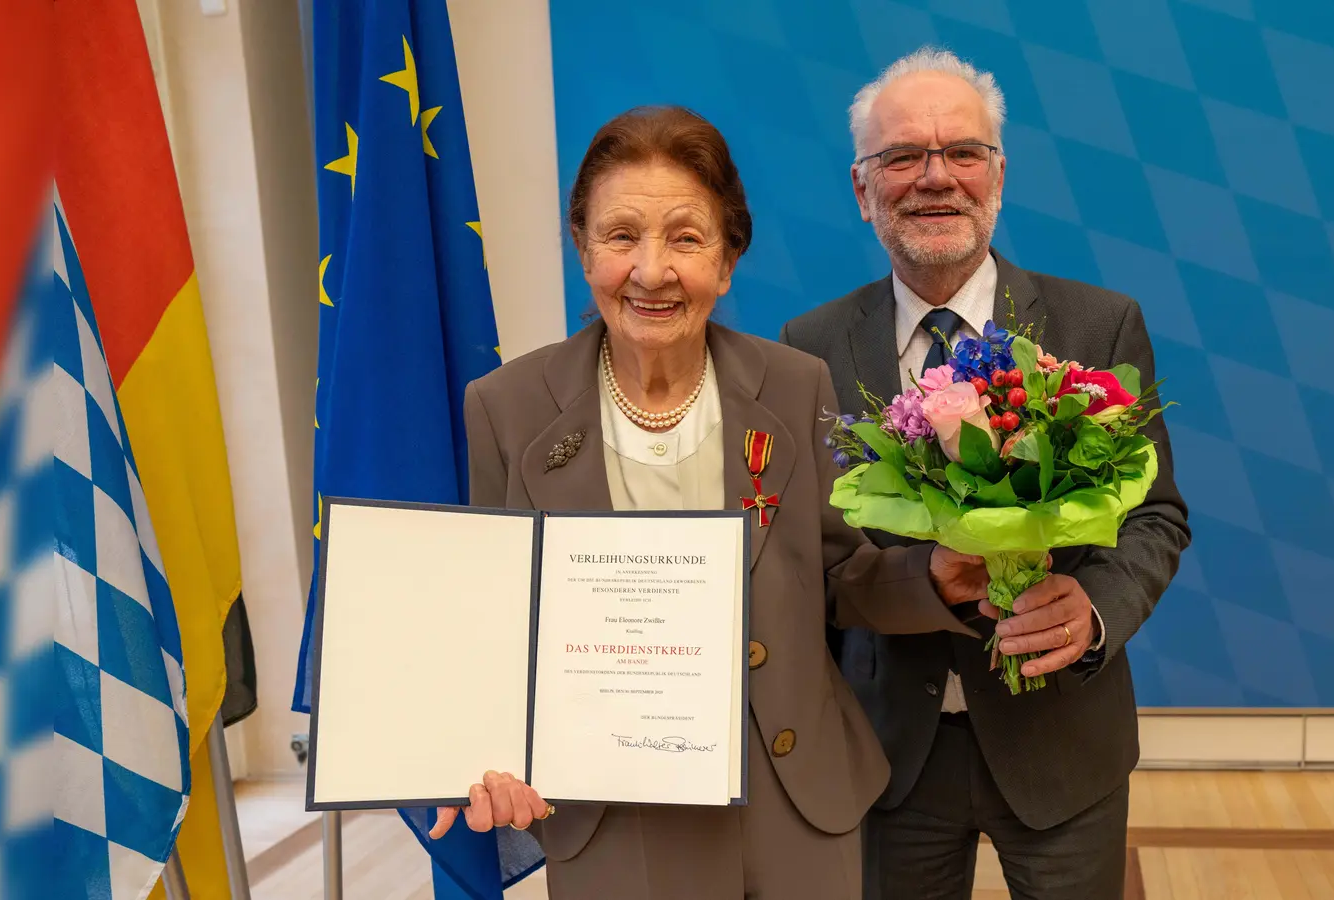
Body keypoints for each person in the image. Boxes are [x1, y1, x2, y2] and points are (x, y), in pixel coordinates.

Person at [425, 105, 1002, 900]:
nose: (652, 270)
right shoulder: (507, 407)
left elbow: (839, 574)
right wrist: (478, 750)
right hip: (611, 807)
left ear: (728, 261)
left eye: (687, 238)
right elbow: (493, 623)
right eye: (621, 235)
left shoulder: (796, 386)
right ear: (583, 249)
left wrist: (937, 579)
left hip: (794, 798)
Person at [778, 48, 1192, 900]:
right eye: (902, 157)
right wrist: (918, 580)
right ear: (863, 189)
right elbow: (807, 559)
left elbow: (1155, 517)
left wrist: (1097, 612)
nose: (936, 178)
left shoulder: (1100, 327)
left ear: (998, 174)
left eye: (962, 152)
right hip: (887, 757)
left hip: (1064, 746)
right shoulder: (808, 349)